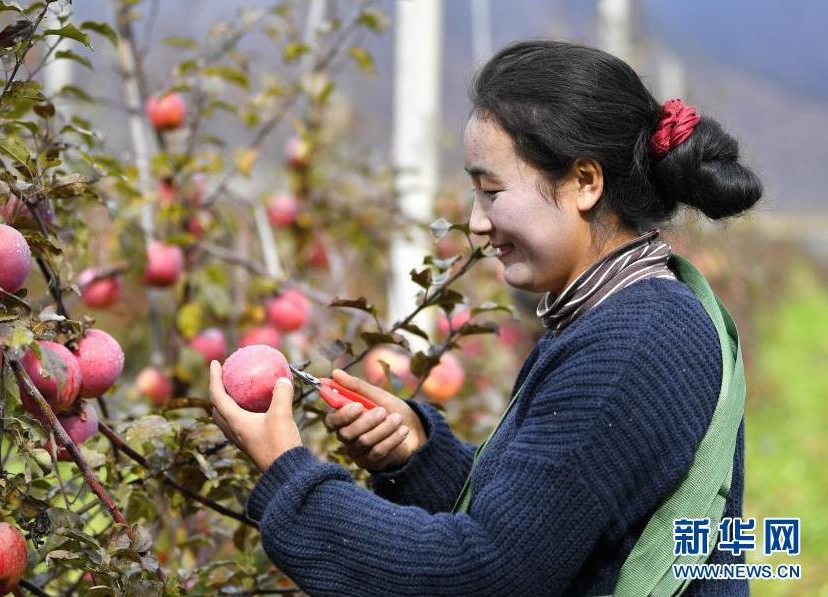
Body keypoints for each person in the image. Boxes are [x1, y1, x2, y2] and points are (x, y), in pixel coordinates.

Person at [208, 40, 762, 596]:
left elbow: (484, 574)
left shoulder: (626, 346)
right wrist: (416, 456)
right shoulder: (633, 309)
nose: (475, 222)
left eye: (492, 191)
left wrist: (290, 475)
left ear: (584, 183)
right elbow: (555, 524)